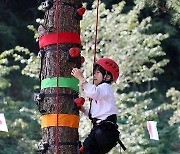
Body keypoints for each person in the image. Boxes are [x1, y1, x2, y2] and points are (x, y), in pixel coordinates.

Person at [71, 58, 120, 154]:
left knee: (88, 147)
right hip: (104, 131)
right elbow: (95, 115)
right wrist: (83, 109)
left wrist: (81, 78)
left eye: (98, 73)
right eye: (94, 73)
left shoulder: (105, 87)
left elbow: (93, 92)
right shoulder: (102, 92)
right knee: (86, 149)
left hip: (105, 130)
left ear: (107, 77)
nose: (94, 76)